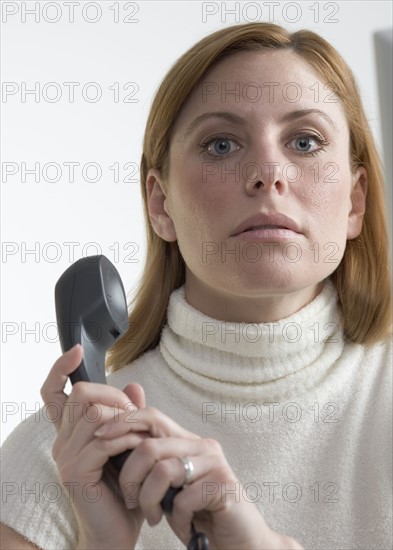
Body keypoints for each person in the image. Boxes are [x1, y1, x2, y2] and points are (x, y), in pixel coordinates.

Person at [1, 21, 392, 550]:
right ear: (160, 204)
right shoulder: (63, 454)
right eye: (222, 144)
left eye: (305, 141)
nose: (267, 172)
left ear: (356, 201)